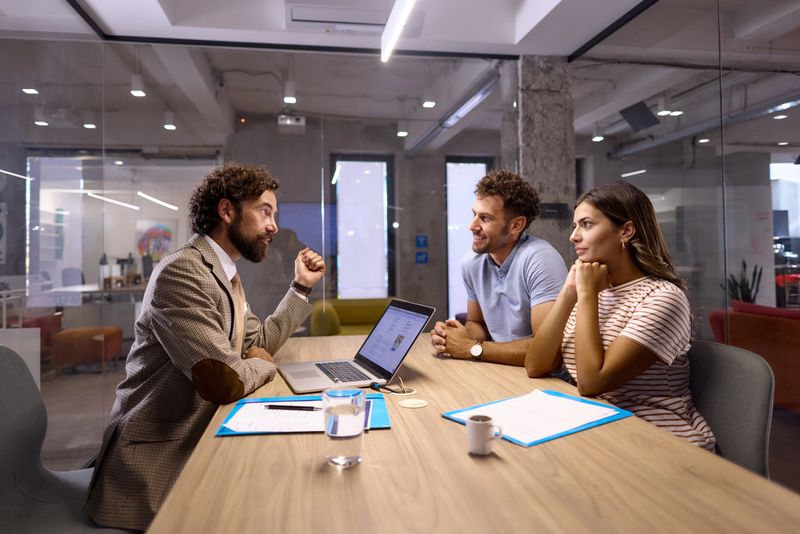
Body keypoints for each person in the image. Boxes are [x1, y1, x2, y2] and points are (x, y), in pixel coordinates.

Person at [85, 163, 326, 530]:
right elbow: (223, 380)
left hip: (194, 433)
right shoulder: (182, 272)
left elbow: (256, 344)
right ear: (227, 211)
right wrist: (265, 365)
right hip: (155, 460)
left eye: (274, 214)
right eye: (264, 211)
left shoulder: (222, 272)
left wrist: (301, 287)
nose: (273, 225)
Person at [525, 181, 715, 450]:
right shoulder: (594, 287)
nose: (573, 236)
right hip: (598, 430)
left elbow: (592, 383)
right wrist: (569, 293)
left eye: (587, 224)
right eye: (574, 226)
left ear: (626, 230)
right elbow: (536, 365)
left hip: (658, 439)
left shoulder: (663, 297)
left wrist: (587, 295)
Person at [430, 170, 567, 365]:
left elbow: (548, 351)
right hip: (500, 369)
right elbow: (478, 324)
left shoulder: (540, 259)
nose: (472, 225)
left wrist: (472, 348)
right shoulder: (472, 262)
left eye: (485, 218)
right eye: (474, 214)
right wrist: (453, 337)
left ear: (516, 226)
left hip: (547, 379)